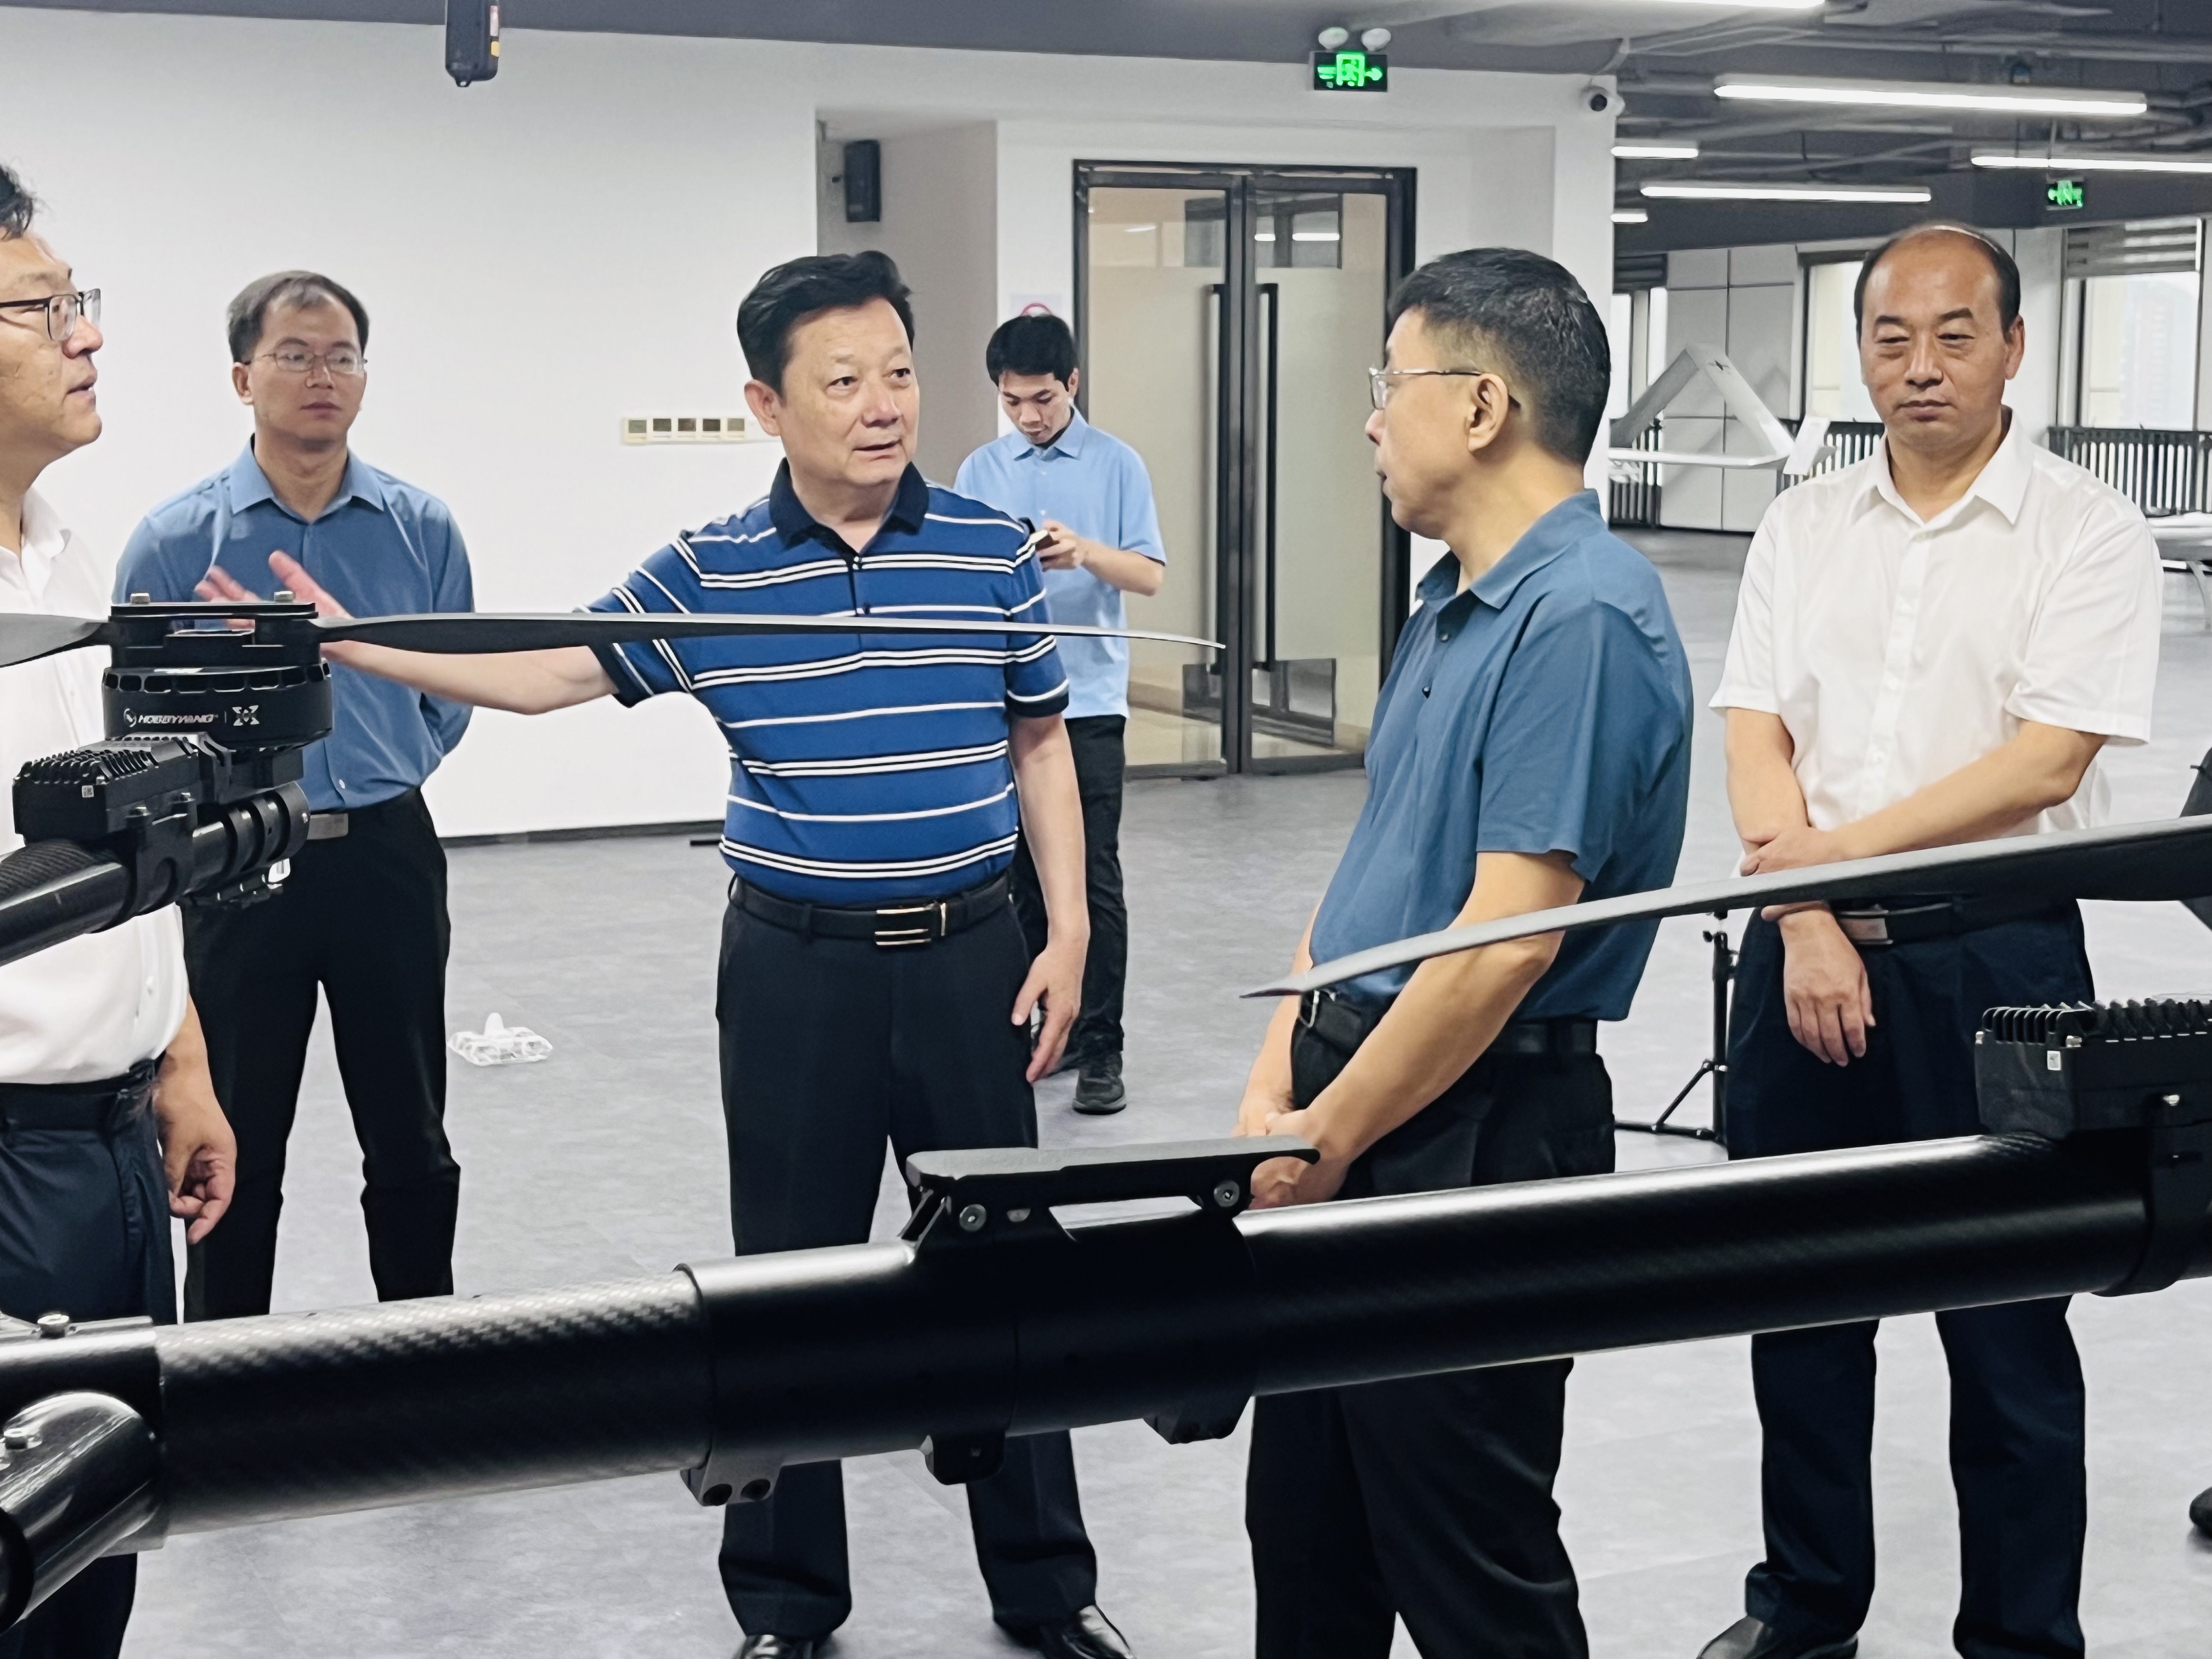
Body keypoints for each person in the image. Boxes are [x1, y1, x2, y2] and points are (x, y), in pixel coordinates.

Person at [238, 251, 1131, 1659]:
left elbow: (1040, 740)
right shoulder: (713, 569)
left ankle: (1045, 1587)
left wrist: (1067, 927)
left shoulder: (988, 550)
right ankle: (786, 1601)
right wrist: (354, 643)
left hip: (972, 956)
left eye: (900, 373)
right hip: (796, 971)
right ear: (768, 405)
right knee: (786, 1286)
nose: (883, 404)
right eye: (844, 380)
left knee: (1005, 1278)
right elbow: (547, 671)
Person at [1701, 224, 2160, 1659]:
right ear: (1860, 353)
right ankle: (1806, 1608)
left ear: (2014, 345)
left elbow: (2043, 764)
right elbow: (1755, 729)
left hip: (1998, 966)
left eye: (1956, 335)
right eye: (1891, 337)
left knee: (2007, 1320)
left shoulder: (2089, 530)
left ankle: (2021, 1639)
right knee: (1799, 1303)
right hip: (1803, 956)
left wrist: (1826, 868)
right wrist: (1804, 918)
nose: (1922, 366)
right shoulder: (1803, 526)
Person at [1234, 247, 1693, 1659]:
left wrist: (1327, 1138)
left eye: (1391, 384)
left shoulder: (1584, 617)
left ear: (1483, 406)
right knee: (1308, 1544)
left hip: (1475, 1128)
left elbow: (1503, 950)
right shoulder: (1450, 599)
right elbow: (1373, 872)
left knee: (1465, 1557)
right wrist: (1277, 1079)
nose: (1372, 419)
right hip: (1355, 1097)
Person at [115, 272, 473, 1323]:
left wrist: (391, 759)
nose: (323, 376)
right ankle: (224, 1369)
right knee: (237, 1132)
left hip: (386, 854)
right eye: (295, 355)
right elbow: (137, 719)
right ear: (243, 377)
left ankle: (427, 1352)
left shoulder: (420, 527)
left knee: (410, 1132)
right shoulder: (175, 540)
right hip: (236, 862)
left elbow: (453, 690)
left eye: (342, 356)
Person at [0, 161, 235, 1659]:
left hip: (106, 1148)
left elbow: (125, 859)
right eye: (42, 310)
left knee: (101, 1542)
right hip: (8, 1152)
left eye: (76, 302)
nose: (84, 334)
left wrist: (178, 1057)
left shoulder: (66, 558)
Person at [955, 312, 1165, 1116]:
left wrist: (1084, 553)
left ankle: (1104, 1046)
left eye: (1042, 400)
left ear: (1072, 384)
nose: (1029, 417)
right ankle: (1048, 1026)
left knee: (1092, 878)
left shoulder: (1118, 464)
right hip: (1005, 705)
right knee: (1017, 879)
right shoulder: (980, 470)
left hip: (1090, 704)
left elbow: (1148, 575)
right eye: (1012, 402)